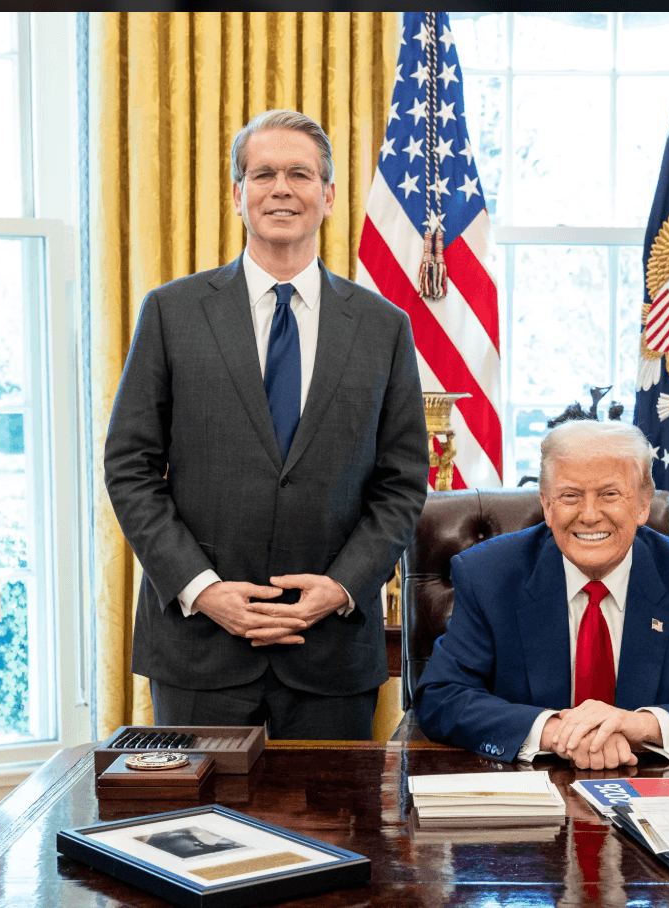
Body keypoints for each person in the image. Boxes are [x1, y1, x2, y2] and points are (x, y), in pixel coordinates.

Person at [104, 109, 429, 739]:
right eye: (263, 174)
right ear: (237, 194)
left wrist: (339, 587)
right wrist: (203, 589)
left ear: (328, 196)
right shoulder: (172, 313)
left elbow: (402, 482)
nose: (281, 188)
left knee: (334, 836)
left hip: (330, 653)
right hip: (199, 650)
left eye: (300, 174)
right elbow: (130, 469)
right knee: (195, 838)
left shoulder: (384, 326)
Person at [414, 420, 669, 768]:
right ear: (548, 505)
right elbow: (441, 696)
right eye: (570, 496)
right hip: (530, 798)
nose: (589, 515)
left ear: (643, 504)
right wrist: (556, 732)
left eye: (609, 494)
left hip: (653, 793)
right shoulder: (488, 575)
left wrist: (639, 725)